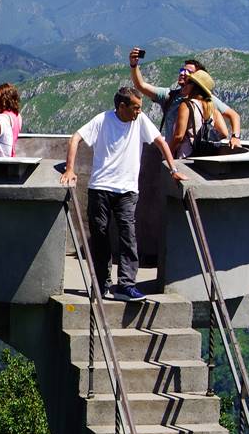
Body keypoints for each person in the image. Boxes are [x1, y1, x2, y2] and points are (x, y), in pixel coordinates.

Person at [63, 88, 185, 301]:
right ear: (122, 107)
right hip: (100, 187)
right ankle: (101, 284)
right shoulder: (102, 120)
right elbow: (75, 139)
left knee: (128, 236)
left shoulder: (140, 121)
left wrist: (173, 170)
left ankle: (126, 285)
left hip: (127, 190)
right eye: (136, 107)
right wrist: (69, 169)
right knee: (100, 237)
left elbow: (160, 142)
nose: (139, 111)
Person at [0, 84, 22, 150]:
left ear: (3, 98)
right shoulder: (18, 116)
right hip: (11, 153)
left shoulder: (4, 117)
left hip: (2, 154)